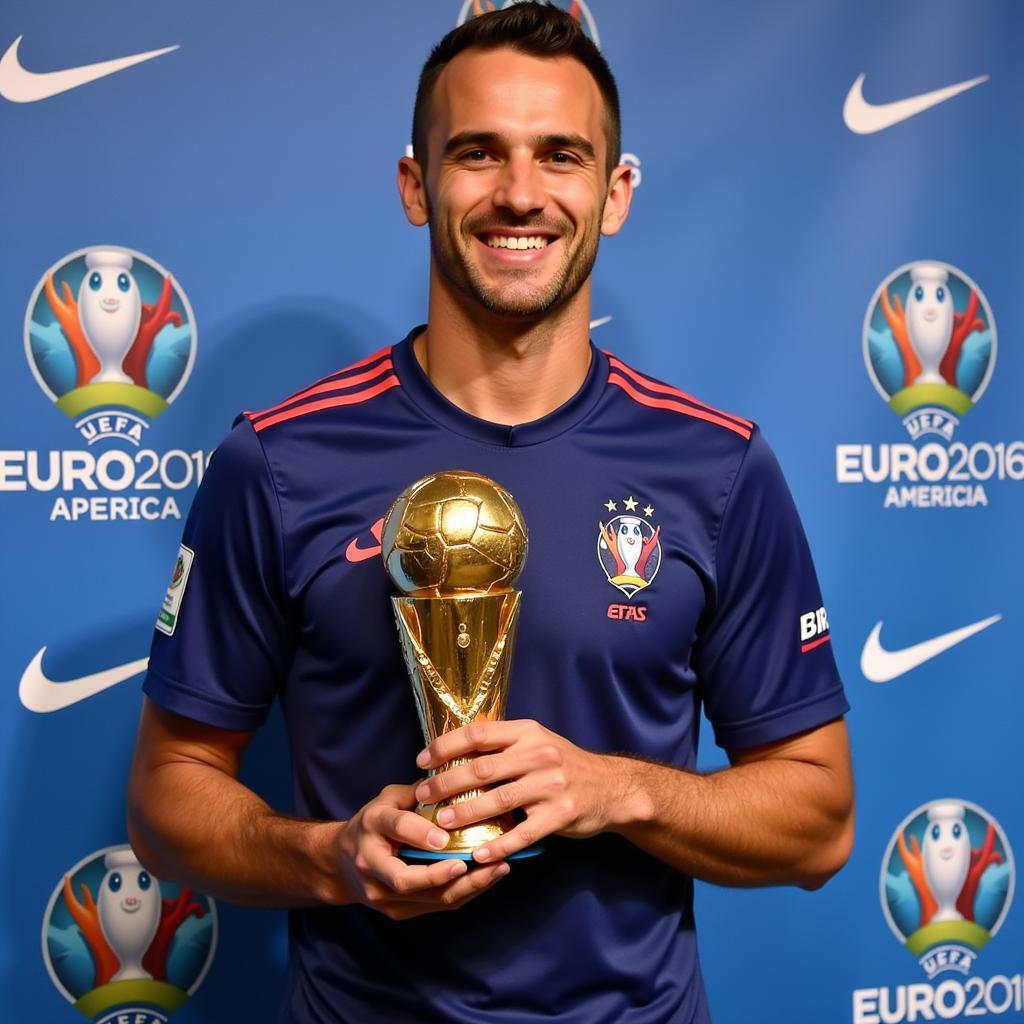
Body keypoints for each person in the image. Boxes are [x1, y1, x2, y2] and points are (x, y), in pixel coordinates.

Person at [127, 5, 854, 1023]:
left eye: (561, 156)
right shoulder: (278, 458)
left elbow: (819, 821)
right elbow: (169, 791)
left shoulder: (717, 466)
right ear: (415, 185)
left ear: (615, 192)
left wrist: (616, 789)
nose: (520, 193)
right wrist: (331, 855)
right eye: (478, 153)